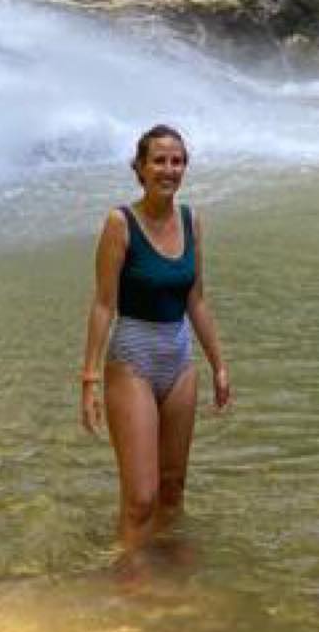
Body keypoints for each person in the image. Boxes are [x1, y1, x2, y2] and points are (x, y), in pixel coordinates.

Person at [78, 124, 230, 550]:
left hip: (179, 360)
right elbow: (103, 304)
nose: (169, 169)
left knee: (172, 488)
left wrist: (219, 365)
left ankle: (167, 574)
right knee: (141, 497)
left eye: (177, 161)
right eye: (159, 160)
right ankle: (132, 583)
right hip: (133, 358)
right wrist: (88, 380)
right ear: (140, 169)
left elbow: (196, 299)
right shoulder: (120, 223)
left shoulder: (191, 220)